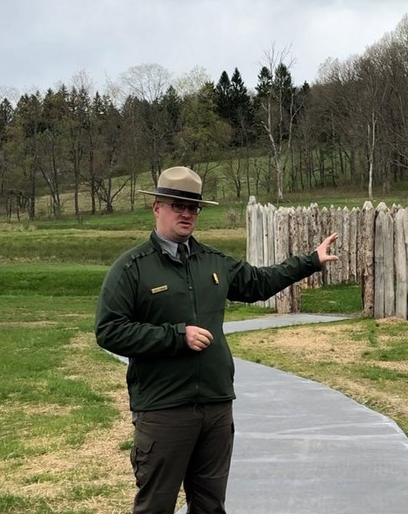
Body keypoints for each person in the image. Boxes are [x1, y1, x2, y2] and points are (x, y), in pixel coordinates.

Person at [95, 166, 338, 514]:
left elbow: (259, 283)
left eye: (193, 207)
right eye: (178, 205)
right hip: (164, 410)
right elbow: (109, 330)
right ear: (157, 208)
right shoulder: (133, 268)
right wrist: (176, 336)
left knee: (210, 507)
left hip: (216, 407)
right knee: (156, 506)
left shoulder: (212, 261)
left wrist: (310, 262)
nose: (186, 213)